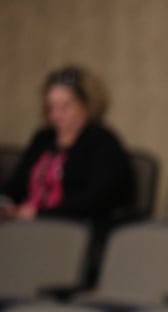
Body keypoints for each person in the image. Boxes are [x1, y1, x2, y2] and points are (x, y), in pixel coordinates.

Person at [0, 64, 134, 232]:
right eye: (51, 107)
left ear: (86, 105)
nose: (56, 115)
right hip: (26, 226)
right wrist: (5, 204)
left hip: (72, 229)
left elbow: (95, 200)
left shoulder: (102, 141)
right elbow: (16, 185)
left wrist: (39, 214)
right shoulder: (43, 138)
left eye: (65, 107)